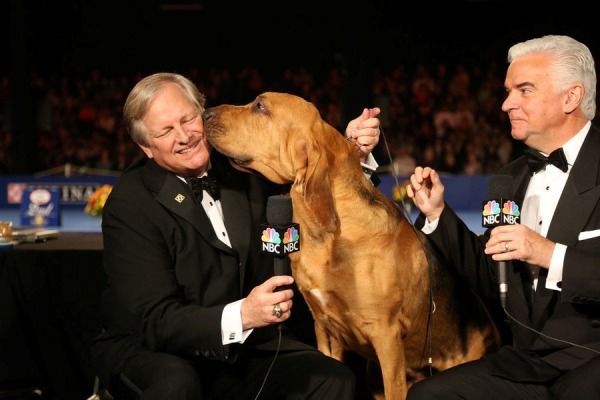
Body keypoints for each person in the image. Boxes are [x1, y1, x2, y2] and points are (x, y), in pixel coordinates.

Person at [90, 72, 382, 399]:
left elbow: (314, 188)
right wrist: (241, 315)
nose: (184, 135)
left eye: (188, 119)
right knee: (177, 386)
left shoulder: (245, 165)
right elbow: (153, 321)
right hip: (154, 350)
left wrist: (348, 149)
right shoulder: (130, 202)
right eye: (166, 131)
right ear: (146, 146)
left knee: (333, 378)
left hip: (242, 347)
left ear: (202, 112)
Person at [405, 35, 600, 399]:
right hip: (527, 363)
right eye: (508, 91)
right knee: (426, 395)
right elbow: (490, 274)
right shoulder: (510, 178)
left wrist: (547, 254)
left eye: (524, 90)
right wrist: (437, 214)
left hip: (592, 358)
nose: (507, 103)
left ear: (570, 97)